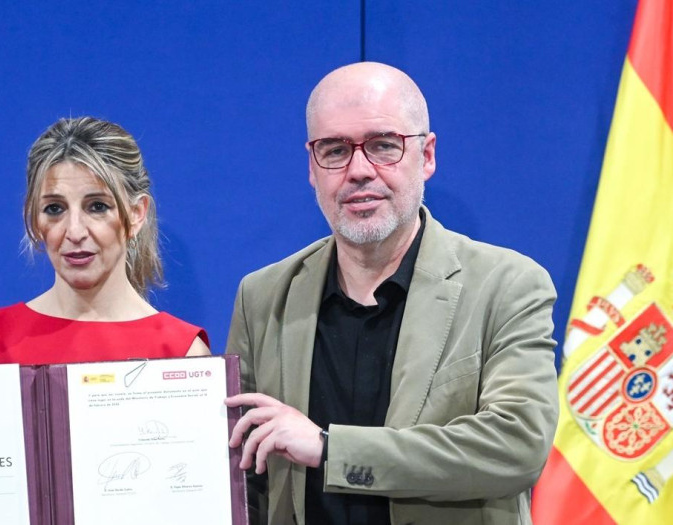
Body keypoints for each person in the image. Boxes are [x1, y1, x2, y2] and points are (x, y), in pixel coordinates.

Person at [224, 63, 558, 525]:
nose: (359, 171)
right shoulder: (262, 296)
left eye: (384, 145)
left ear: (427, 156)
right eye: (335, 150)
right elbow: (242, 477)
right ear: (312, 167)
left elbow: (517, 445)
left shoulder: (507, 285)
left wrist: (330, 449)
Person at [0, 116, 209, 365]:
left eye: (97, 206)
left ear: (136, 214)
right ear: (33, 217)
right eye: (54, 209)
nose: (75, 232)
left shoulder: (184, 355)